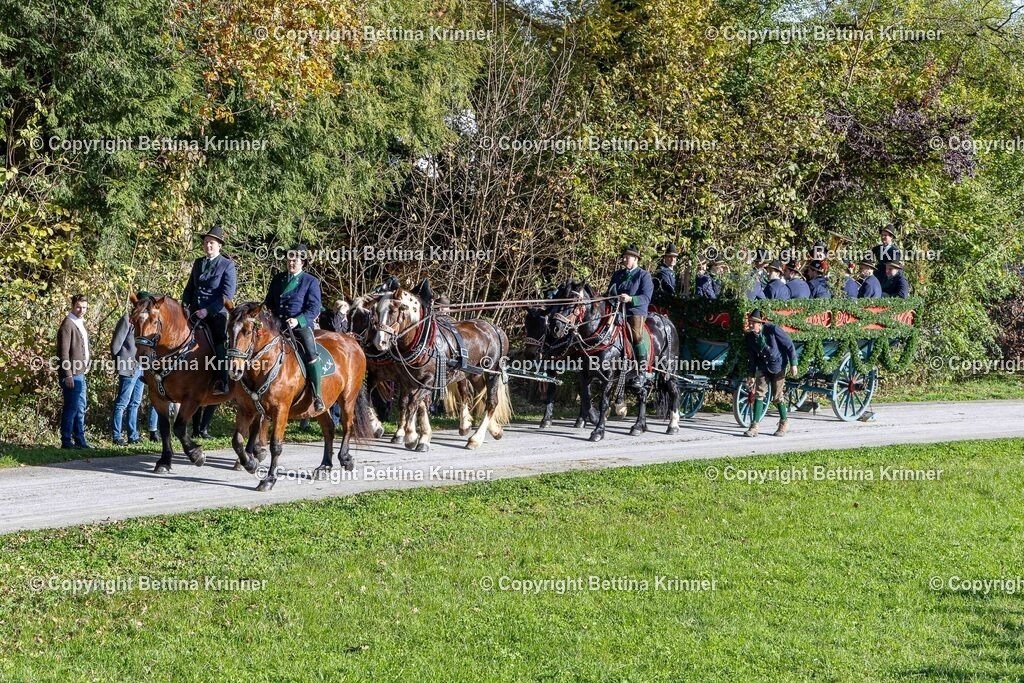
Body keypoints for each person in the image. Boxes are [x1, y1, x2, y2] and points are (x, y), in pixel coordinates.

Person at [265, 243, 326, 412]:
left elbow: (314, 308)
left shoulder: (310, 281)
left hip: (299, 326)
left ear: (302, 262)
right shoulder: (278, 279)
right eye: (289, 259)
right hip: (277, 325)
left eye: (295, 260)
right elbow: (269, 302)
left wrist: (298, 320)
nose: (291, 263)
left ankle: (317, 394)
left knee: (311, 352)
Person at [182, 225, 237, 395]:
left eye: (211, 243)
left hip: (215, 313)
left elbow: (226, 295)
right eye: (206, 242)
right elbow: (190, 287)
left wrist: (207, 311)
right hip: (194, 310)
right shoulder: (199, 263)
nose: (208, 246)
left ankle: (222, 380)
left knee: (219, 342)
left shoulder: (227, 265)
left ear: (219, 245)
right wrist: (184, 305)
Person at [743, 309, 798, 438]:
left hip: (778, 366)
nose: (751, 325)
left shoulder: (772, 330)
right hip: (762, 366)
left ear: (760, 323)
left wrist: (793, 364)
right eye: (750, 322)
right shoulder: (750, 337)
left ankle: (784, 422)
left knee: (777, 396)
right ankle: (754, 426)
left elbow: (789, 344)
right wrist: (750, 375)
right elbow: (752, 357)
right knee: (759, 393)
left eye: (753, 323)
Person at [606, 244, 654, 387]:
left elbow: (646, 297)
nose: (624, 259)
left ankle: (642, 370)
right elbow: (610, 292)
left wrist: (631, 299)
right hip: (617, 310)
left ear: (635, 258)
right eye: (624, 257)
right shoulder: (617, 274)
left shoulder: (644, 275)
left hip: (635, 312)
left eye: (627, 257)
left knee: (636, 335)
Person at [110, 295, 148, 444]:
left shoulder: (146, 321)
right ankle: (117, 436)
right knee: (122, 403)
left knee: (135, 403)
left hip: (141, 368)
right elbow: (115, 345)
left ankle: (133, 435)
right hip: (128, 366)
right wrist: (120, 363)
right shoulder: (127, 319)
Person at [56, 294, 92, 449]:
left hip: (81, 372)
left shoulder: (80, 323)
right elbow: (63, 353)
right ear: (72, 306)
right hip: (72, 374)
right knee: (71, 408)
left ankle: (80, 439)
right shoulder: (67, 324)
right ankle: (66, 440)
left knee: (80, 407)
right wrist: (68, 374)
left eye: (84, 307)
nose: (81, 310)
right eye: (78, 307)